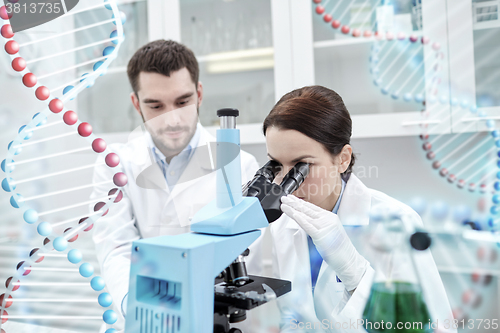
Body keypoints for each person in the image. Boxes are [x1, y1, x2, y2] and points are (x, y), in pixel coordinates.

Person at [90, 40, 260, 330]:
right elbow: (115, 247)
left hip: (208, 318)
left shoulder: (240, 165)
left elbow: (237, 253)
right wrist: (139, 307)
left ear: (199, 94)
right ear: (136, 104)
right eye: (156, 106)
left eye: (183, 102)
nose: (173, 119)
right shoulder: (114, 164)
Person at [263, 85, 456, 332]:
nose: (287, 182)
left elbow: (436, 328)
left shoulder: (397, 222)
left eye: (302, 166)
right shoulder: (282, 223)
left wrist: (355, 272)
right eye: (276, 165)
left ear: (342, 159)